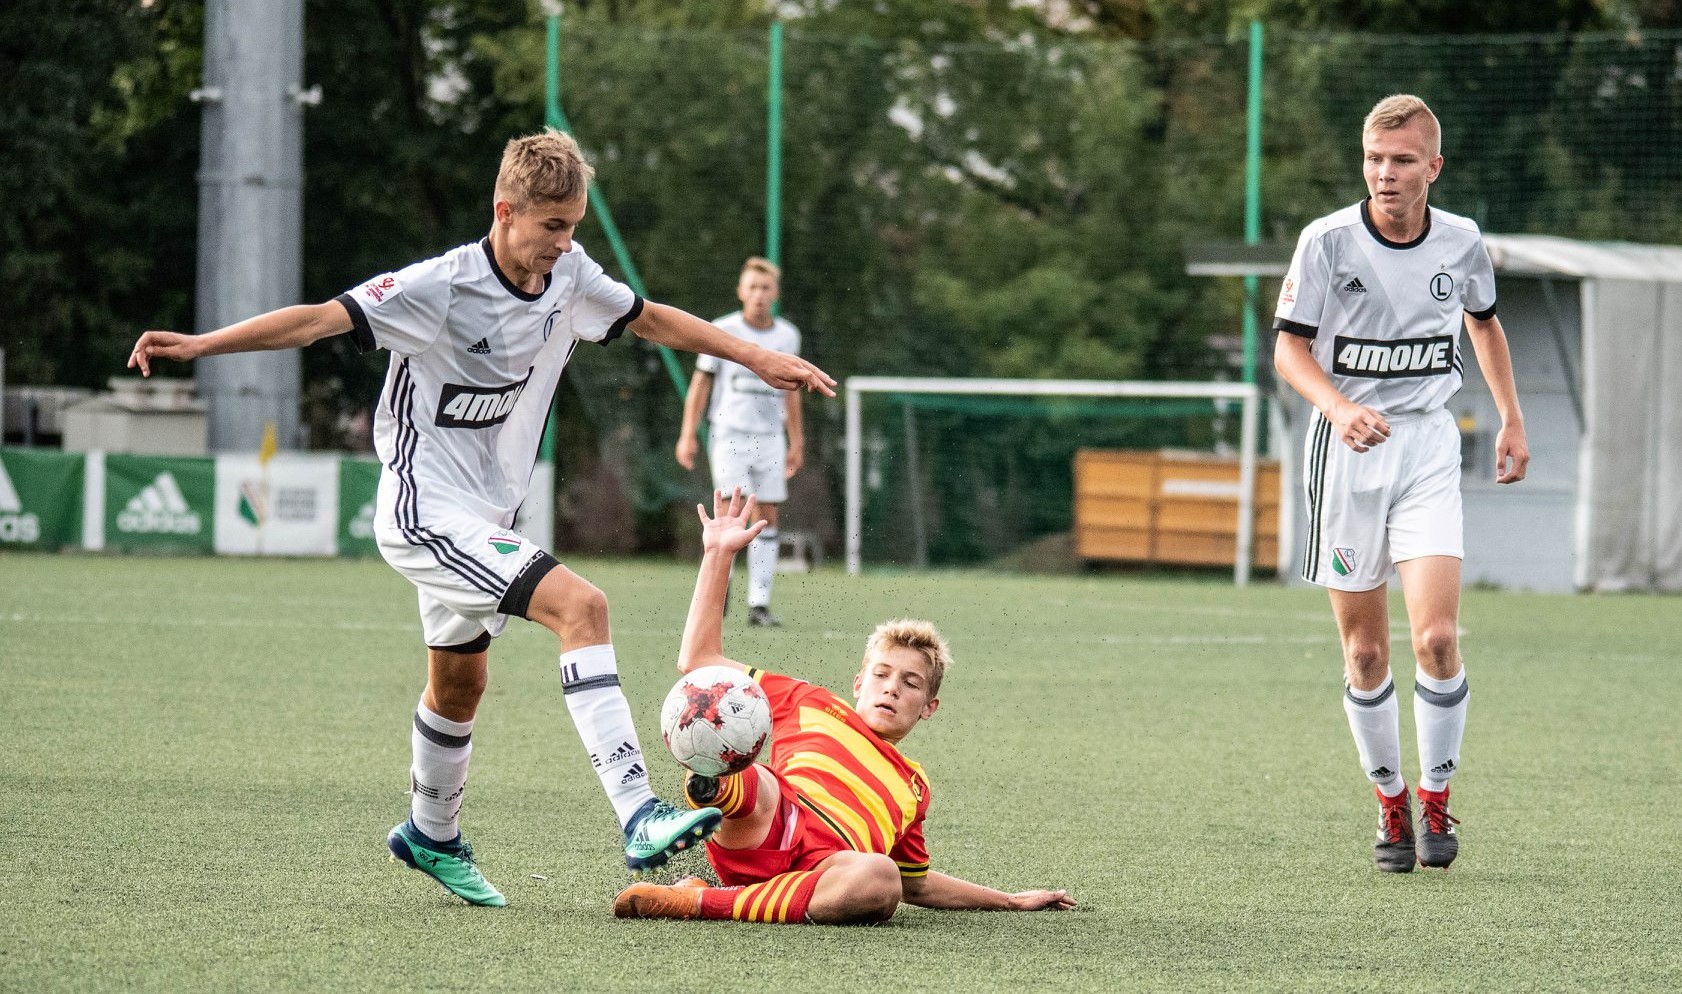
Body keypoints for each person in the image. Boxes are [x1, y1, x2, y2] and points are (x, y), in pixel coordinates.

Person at [127, 130, 837, 907]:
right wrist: (201, 345)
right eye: (552, 227)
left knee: (460, 684)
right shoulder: (439, 287)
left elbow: (653, 319)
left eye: (574, 227)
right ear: (506, 211)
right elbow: (315, 321)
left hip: (483, 513)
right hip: (425, 511)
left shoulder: (569, 276)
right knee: (583, 606)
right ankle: (638, 811)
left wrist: (757, 358)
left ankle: (430, 833)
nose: (565, 245)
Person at [613, 488, 1075, 923]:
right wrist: (718, 554)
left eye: (910, 683)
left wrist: (1010, 900)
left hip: (823, 873)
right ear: (859, 682)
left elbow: (918, 887)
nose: (891, 689)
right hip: (770, 820)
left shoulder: (913, 788)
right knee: (750, 767)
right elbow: (698, 661)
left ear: (928, 707)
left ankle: (697, 898)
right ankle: (712, 784)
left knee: (881, 880)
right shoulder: (807, 701)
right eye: (882, 675)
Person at [1272, 95, 1529, 873]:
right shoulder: (1326, 242)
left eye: (1403, 160)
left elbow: (1484, 322)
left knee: (1437, 639)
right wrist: (1338, 405)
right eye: (1375, 159)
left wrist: (1512, 419)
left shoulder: (1462, 241)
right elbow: (1288, 352)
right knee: (1365, 654)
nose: (1386, 173)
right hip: (1346, 451)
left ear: (1432, 168)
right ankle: (1388, 803)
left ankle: (1436, 797)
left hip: (1424, 445)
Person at [674, 258, 803, 627]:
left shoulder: (787, 336)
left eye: (766, 288)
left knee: (768, 515)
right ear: (741, 291)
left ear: (775, 293)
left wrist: (797, 440)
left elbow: (793, 393)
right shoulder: (723, 329)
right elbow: (701, 383)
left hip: (770, 439)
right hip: (729, 433)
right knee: (731, 510)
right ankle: (720, 590)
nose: (759, 295)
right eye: (753, 287)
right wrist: (687, 432)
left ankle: (759, 604)